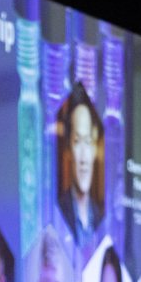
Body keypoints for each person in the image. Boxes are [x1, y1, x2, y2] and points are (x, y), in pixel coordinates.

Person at [56, 82, 105, 248]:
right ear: (69, 151)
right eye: (78, 142)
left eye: (88, 142)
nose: (84, 158)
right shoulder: (58, 213)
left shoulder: (101, 219)